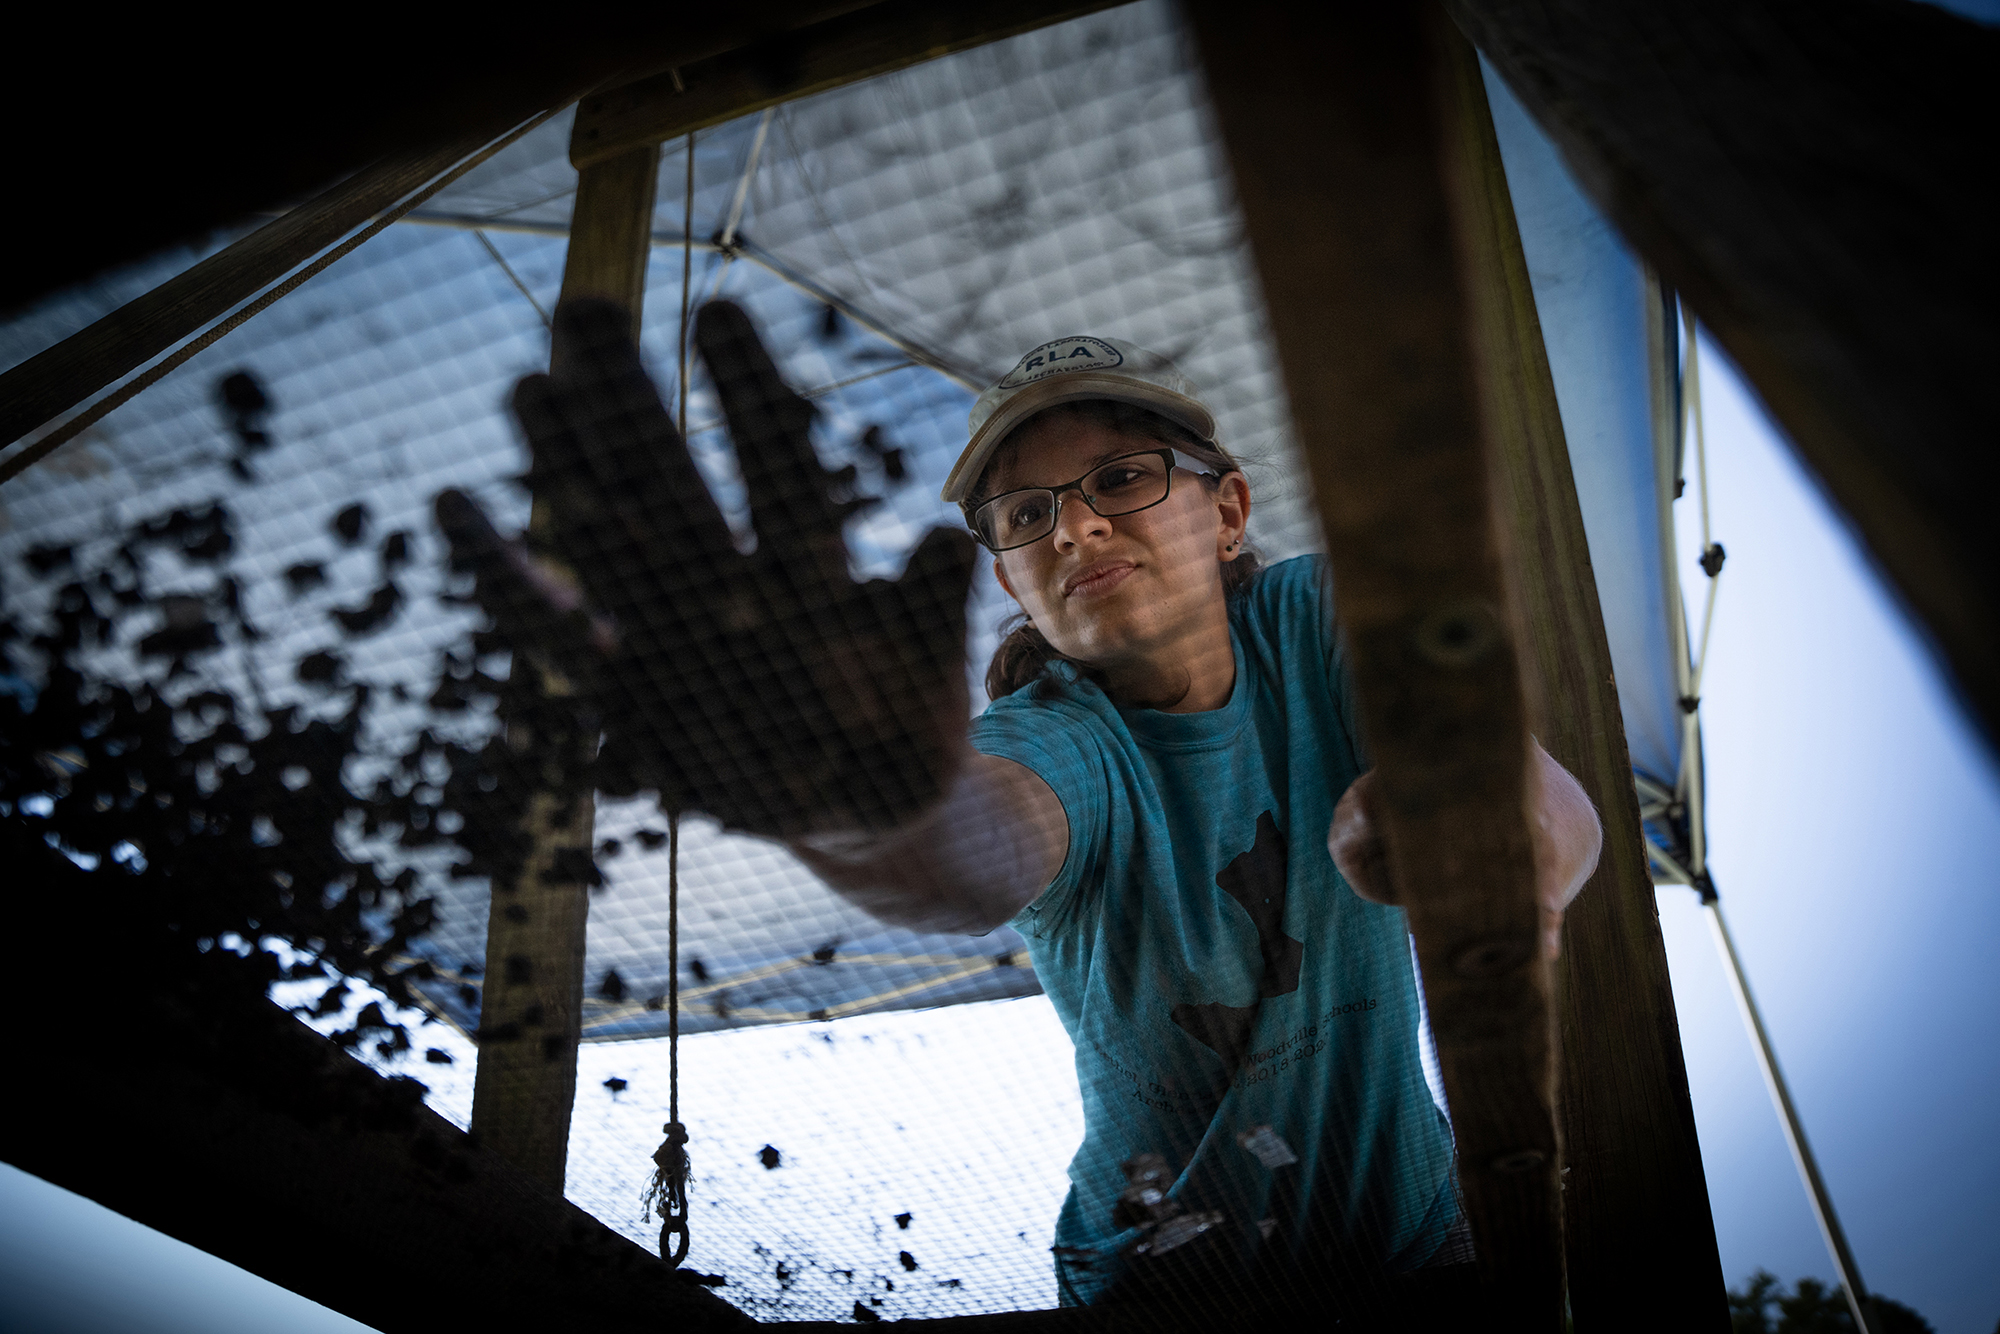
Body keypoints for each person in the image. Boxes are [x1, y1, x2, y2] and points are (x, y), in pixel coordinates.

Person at [439, 301, 1602, 1315]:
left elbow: (1505, 770)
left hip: (1424, 1244)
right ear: (1007, 579)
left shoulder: (1318, 619)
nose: (1076, 528)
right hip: (1155, 1295)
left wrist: (1505, 838)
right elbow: (963, 846)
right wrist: (856, 805)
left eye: (1120, 479)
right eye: (1025, 514)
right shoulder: (1051, 737)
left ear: (1228, 511)